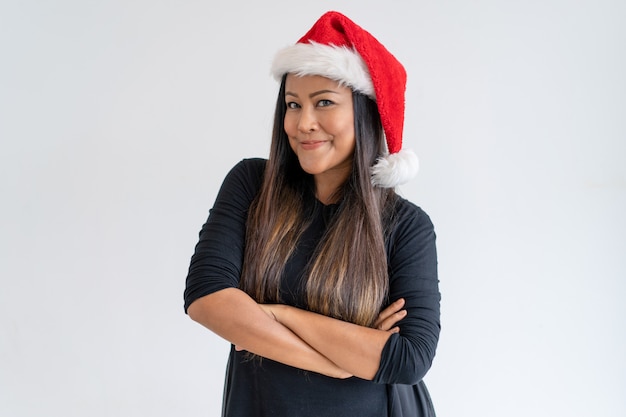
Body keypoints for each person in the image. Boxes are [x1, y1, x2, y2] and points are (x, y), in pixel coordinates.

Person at [184, 11, 440, 417]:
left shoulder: (405, 225)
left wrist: (275, 314)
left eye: (324, 102)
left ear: (365, 111)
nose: (303, 123)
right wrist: (340, 361)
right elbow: (206, 297)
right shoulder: (253, 184)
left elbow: (409, 358)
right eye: (292, 104)